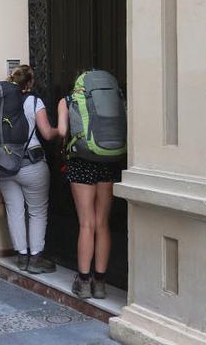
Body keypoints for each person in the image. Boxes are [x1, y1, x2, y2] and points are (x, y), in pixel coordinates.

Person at [58, 78, 121, 300]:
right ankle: (100, 283)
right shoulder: (113, 97)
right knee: (102, 223)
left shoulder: (67, 101)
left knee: (87, 223)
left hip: (81, 162)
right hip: (108, 161)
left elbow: (62, 131)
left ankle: (84, 282)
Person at [0, 66, 60, 274]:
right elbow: (47, 133)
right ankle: (35, 259)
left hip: (5, 164)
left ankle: (21, 255)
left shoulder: (1, 102)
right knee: (37, 212)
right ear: (30, 83)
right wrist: (60, 130)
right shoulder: (34, 102)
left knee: (14, 210)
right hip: (31, 163)